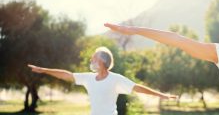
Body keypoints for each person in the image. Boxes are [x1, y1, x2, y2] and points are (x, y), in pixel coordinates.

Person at [28, 46, 177, 115]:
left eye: (94, 57)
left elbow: (137, 87)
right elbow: (66, 75)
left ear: (102, 61)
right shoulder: (88, 78)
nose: (91, 59)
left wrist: (162, 95)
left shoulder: (115, 79)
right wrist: (45, 70)